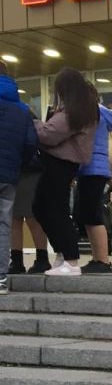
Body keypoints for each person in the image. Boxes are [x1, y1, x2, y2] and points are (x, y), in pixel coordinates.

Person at [32, 67, 99, 277]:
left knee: (54, 209)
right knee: (43, 207)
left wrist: (33, 121)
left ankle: (70, 259)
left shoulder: (74, 111)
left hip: (59, 164)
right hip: (64, 165)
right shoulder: (85, 109)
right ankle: (63, 253)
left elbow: (49, 134)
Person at [0, 63, 39, 295]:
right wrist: (17, 163)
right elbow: (31, 143)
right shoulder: (22, 109)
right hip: (9, 176)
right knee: (4, 225)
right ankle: (0, 279)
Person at [76, 92, 112, 274]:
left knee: (93, 215)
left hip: (92, 167)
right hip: (95, 167)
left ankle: (103, 260)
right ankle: (98, 258)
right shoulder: (99, 113)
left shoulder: (91, 113)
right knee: (89, 214)